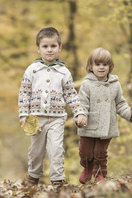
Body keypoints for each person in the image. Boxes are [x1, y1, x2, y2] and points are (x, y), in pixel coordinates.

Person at [18, 27, 87, 188]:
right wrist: (23, 114)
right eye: (45, 46)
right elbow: (24, 93)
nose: (49, 50)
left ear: (60, 48)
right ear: (38, 48)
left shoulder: (64, 72)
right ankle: (33, 177)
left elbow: (71, 95)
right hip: (35, 118)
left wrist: (79, 112)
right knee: (36, 151)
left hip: (57, 118)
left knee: (56, 149)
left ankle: (57, 180)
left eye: (53, 46)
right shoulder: (32, 70)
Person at [77, 47, 132, 183]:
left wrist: (130, 115)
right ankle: (87, 167)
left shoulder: (115, 84)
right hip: (89, 124)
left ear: (110, 67)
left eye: (105, 64)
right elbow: (82, 103)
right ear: (90, 67)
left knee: (100, 153)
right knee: (85, 152)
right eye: (97, 64)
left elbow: (120, 104)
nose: (101, 67)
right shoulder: (86, 84)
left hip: (107, 125)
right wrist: (81, 116)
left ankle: (100, 174)